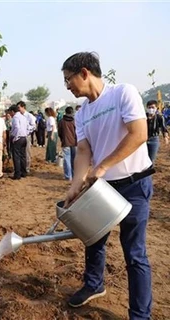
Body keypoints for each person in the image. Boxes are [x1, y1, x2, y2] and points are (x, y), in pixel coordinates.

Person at [62, 52, 154, 319]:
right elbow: (82, 151)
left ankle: (140, 314)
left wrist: (103, 166)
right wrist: (75, 185)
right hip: (104, 189)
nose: (67, 86)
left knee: (134, 252)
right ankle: (93, 284)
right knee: (93, 239)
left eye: (68, 79)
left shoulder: (123, 93)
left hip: (135, 184)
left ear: (84, 73)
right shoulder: (82, 114)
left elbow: (139, 134)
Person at [8, 105, 28, 180]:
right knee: (23, 156)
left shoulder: (15, 117)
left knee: (16, 157)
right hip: (24, 137)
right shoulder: (23, 117)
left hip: (18, 138)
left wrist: (15, 137)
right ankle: (24, 172)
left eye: (10, 112)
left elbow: (17, 127)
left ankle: (17, 174)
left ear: (13, 111)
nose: (10, 114)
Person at [58, 106, 77, 180]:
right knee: (74, 159)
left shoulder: (62, 121)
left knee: (67, 159)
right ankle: (74, 174)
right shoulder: (75, 121)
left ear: (65, 112)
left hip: (65, 142)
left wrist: (62, 139)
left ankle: (68, 176)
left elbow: (60, 132)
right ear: (72, 112)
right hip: (75, 142)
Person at [17, 101, 36, 172]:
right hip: (19, 137)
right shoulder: (18, 116)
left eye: (19, 107)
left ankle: (27, 168)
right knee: (20, 153)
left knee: (27, 152)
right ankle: (21, 167)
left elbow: (34, 126)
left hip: (26, 136)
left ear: (23, 107)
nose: (18, 109)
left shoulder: (29, 116)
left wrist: (27, 130)